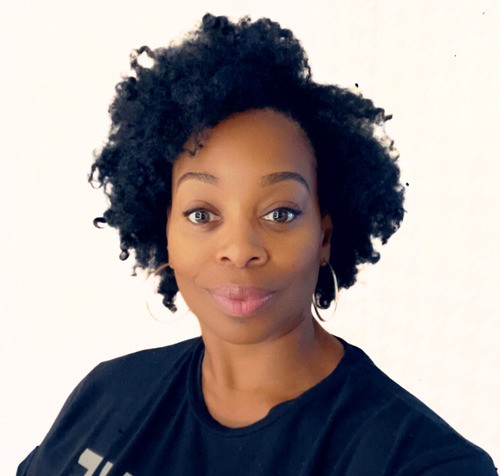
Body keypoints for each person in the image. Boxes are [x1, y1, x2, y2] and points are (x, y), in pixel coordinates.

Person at [17, 13, 497, 476]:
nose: (240, 248)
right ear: (164, 232)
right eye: (202, 214)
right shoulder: (107, 396)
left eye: (279, 213)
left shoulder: (422, 463)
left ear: (325, 237)